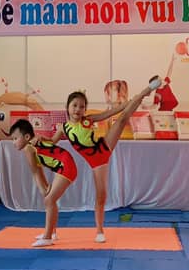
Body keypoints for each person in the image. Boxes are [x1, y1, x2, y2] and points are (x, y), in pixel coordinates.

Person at [45, 76, 160, 243]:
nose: (78, 109)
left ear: (85, 109)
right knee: (101, 195)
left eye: (82, 107)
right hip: (96, 161)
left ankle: (146, 90)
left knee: (122, 119)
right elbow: (51, 143)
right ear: (67, 107)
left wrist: (128, 103)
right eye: (74, 105)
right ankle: (90, 230)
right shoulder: (63, 128)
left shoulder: (88, 119)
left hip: (104, 146)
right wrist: (37, 140)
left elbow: (109, 113)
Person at [9, 118, 77, 247]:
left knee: (49, 200)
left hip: (66, 166)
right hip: (65, 164)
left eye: (15, 138)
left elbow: (35, 171)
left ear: (27, 137)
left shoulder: (28, 148)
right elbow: (38, 169)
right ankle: (52, 232)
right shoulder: (32, 146)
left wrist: (44, 190)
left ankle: (47, 237)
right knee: (50, 199)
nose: (13, 142)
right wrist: (45, 187)